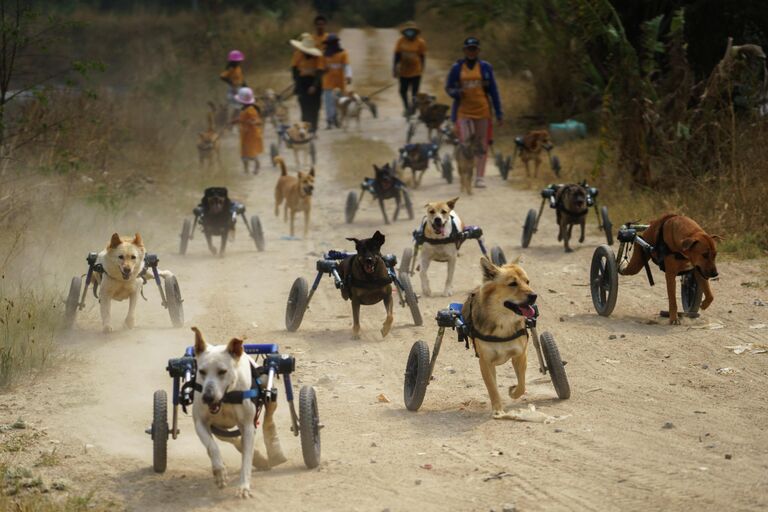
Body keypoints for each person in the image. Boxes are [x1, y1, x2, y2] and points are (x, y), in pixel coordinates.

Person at [445, 37, 502, 189]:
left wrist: (499, 112)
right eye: (469, 49)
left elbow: (493, 91)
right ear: (464, 50)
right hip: (463, 111)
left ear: (478, 50)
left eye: (474, 49)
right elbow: (449, 88)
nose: (471, 51)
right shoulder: (457, 68)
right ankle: (466, 172)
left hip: (483, 110)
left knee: (481, 144)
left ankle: (479, 177)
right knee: (465, 143)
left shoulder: (485, 67)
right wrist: (457, 93)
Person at [290, 33, 325, 133]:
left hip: (315, 83)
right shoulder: (297, 55)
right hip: (302, 83)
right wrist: (297, 84)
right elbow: (294, 70)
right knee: (304, 107)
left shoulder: (319, 57)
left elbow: (319, 72)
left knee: (315, 108)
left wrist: (314, 86)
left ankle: (313, 130)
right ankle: (304, 130)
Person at [393, 21, 426, 116]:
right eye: (408, 31)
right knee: (402, 91)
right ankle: (406, 107)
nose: (410, 33)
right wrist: (394, 69)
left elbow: (422, 56)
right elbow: (397, 55)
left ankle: (413, 109)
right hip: (403, 71)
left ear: (415, 32)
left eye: (412, 31)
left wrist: (422, 68)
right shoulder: (400, 41)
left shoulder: (420, 42)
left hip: (416, 71)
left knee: (414, 92)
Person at [321, 33, 351, 129]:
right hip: (328, 83)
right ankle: (329, 121)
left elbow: (347, 66)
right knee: (329, 103)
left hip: (340, 83)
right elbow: (321, 68)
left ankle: (338, 120)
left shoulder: (343, 53)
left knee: (341, 102)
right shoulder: (324, 55)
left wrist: (349, 76)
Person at [232, 87, 263, 175]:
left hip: (252, 135)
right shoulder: (244, 109)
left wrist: (252, 122)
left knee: (252, 153)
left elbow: (257, 121)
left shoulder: (251, 110)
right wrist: (236, 120)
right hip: (245, 134)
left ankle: (256, 166)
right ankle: (246, 170)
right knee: (244, 154)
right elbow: (243, 119)